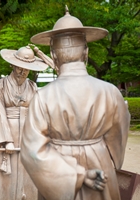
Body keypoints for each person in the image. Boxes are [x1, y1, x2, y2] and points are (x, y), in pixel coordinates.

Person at [20, 7, 130, 200]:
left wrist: (76, 174)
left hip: (57, 171)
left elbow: (33, 152)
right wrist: (110, 161)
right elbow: (117, 141)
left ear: (53, 55)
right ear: (86, 52)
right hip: (100, 168)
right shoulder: (110, 92)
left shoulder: (42, 96)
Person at [0, 45, 49, 200]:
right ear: (12, 65)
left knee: (29, 171)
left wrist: (41, 138)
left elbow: (39, 113)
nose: (22, 72)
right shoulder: (0, 85)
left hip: (28, 134)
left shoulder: (33, 87)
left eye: (27, 69)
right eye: (20, 67)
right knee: (7, 173)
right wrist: (7, 141)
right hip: (7, 133)